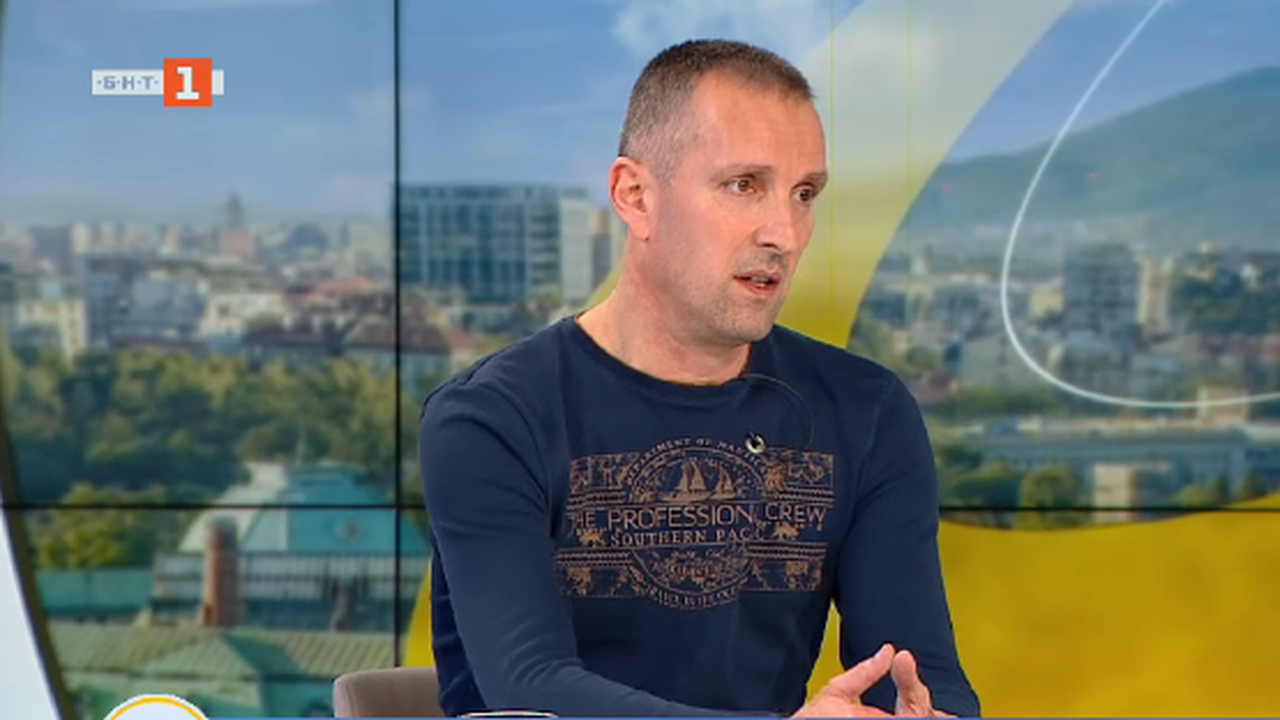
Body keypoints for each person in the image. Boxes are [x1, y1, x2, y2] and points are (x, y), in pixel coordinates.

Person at [419, 38, 980, 719]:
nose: (785, 234)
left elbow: (919, 674)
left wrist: (928, 715)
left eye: (805, 194)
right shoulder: (491, 418)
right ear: (635, 196)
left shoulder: (865, 409)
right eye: (744, 185)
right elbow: (531, 687)